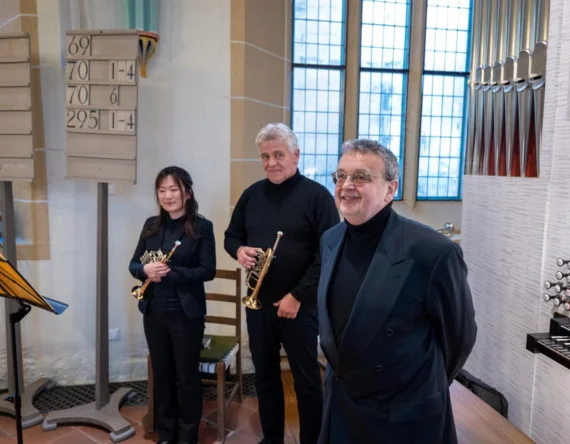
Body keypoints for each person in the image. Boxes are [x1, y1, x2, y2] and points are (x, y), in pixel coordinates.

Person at [317, 139, 477, 444]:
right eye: (340, 176)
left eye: (361, 177)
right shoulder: (330, 239)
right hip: (343, 403)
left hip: (403, 415)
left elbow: (459, 336)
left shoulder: (432, 251)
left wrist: (420, 384)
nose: (346, 185)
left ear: (390, 189)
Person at [224, 123, 340, 444]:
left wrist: (297, 296)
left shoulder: (317, 197)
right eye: (265, 156)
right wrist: (239, 250)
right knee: (265, 378)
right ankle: (272, 439)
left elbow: (326, 254)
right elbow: (231, 236)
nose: (272, 162)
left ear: (295, 155)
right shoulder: (251, 195)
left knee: (305, 382)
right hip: (259, 304)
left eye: (278, 154)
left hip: (300, 308)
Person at [129, 166, 216, 444]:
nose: (168, 195)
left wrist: (170, 272)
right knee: (163, 374)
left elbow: (207, 270)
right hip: (154, 311)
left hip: (186, 314)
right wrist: (145, 271)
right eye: (162, 190)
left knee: (187, 377)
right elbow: (133, 263)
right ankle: (167, 434)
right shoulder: (151, 225)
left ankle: (188, 435)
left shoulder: (202, 227)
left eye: (174, 189)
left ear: (187, 193)